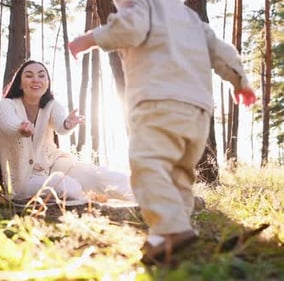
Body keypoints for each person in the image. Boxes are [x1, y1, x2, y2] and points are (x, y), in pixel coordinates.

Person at [68, 0, 256, 265]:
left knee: (148, 166)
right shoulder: (193, 20)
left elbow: (129, 28)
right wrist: (240, 82)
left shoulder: (144, 8)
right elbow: (222, 52)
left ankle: (170, 228)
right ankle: (165, 238)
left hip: (157, 102)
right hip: (197, 111)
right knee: (179, 174)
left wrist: (89, 39)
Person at [0, 60, 134, 202]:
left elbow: (60, 125)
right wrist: (20, 128)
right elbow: (8, 124)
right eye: (29, 75)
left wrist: (67, 124)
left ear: (48, 83)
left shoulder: (51, 105)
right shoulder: (6, 105)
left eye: (42, 76)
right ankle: (86, 201)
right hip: (23, 180)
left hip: (54, 164)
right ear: (19, 83)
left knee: (96, 175)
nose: (36, 79)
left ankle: (148, 193)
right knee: (68, 186)